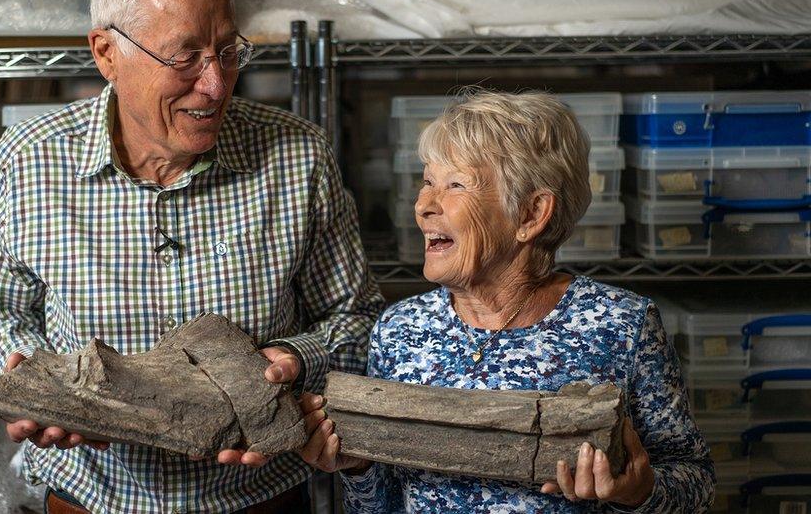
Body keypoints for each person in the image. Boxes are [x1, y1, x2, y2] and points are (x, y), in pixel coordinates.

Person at [0, 0, 383, 514]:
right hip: (89, 500)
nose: (215, 84)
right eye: (184, 56)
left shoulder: (297, 157)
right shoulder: (28, 161)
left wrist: (291, 358)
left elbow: (357, 321)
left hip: (258, 498)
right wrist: (34, 383)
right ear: (107, 53)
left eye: (228, 51)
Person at [298, 91, 715, 513]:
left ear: (531, 215)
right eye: (427, 182)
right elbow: (379, 505)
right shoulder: (400, 329)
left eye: (455, 185)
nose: (423, 206)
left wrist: (636, 492)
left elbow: (694, 480)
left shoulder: (620, 326)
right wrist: (357, 469)